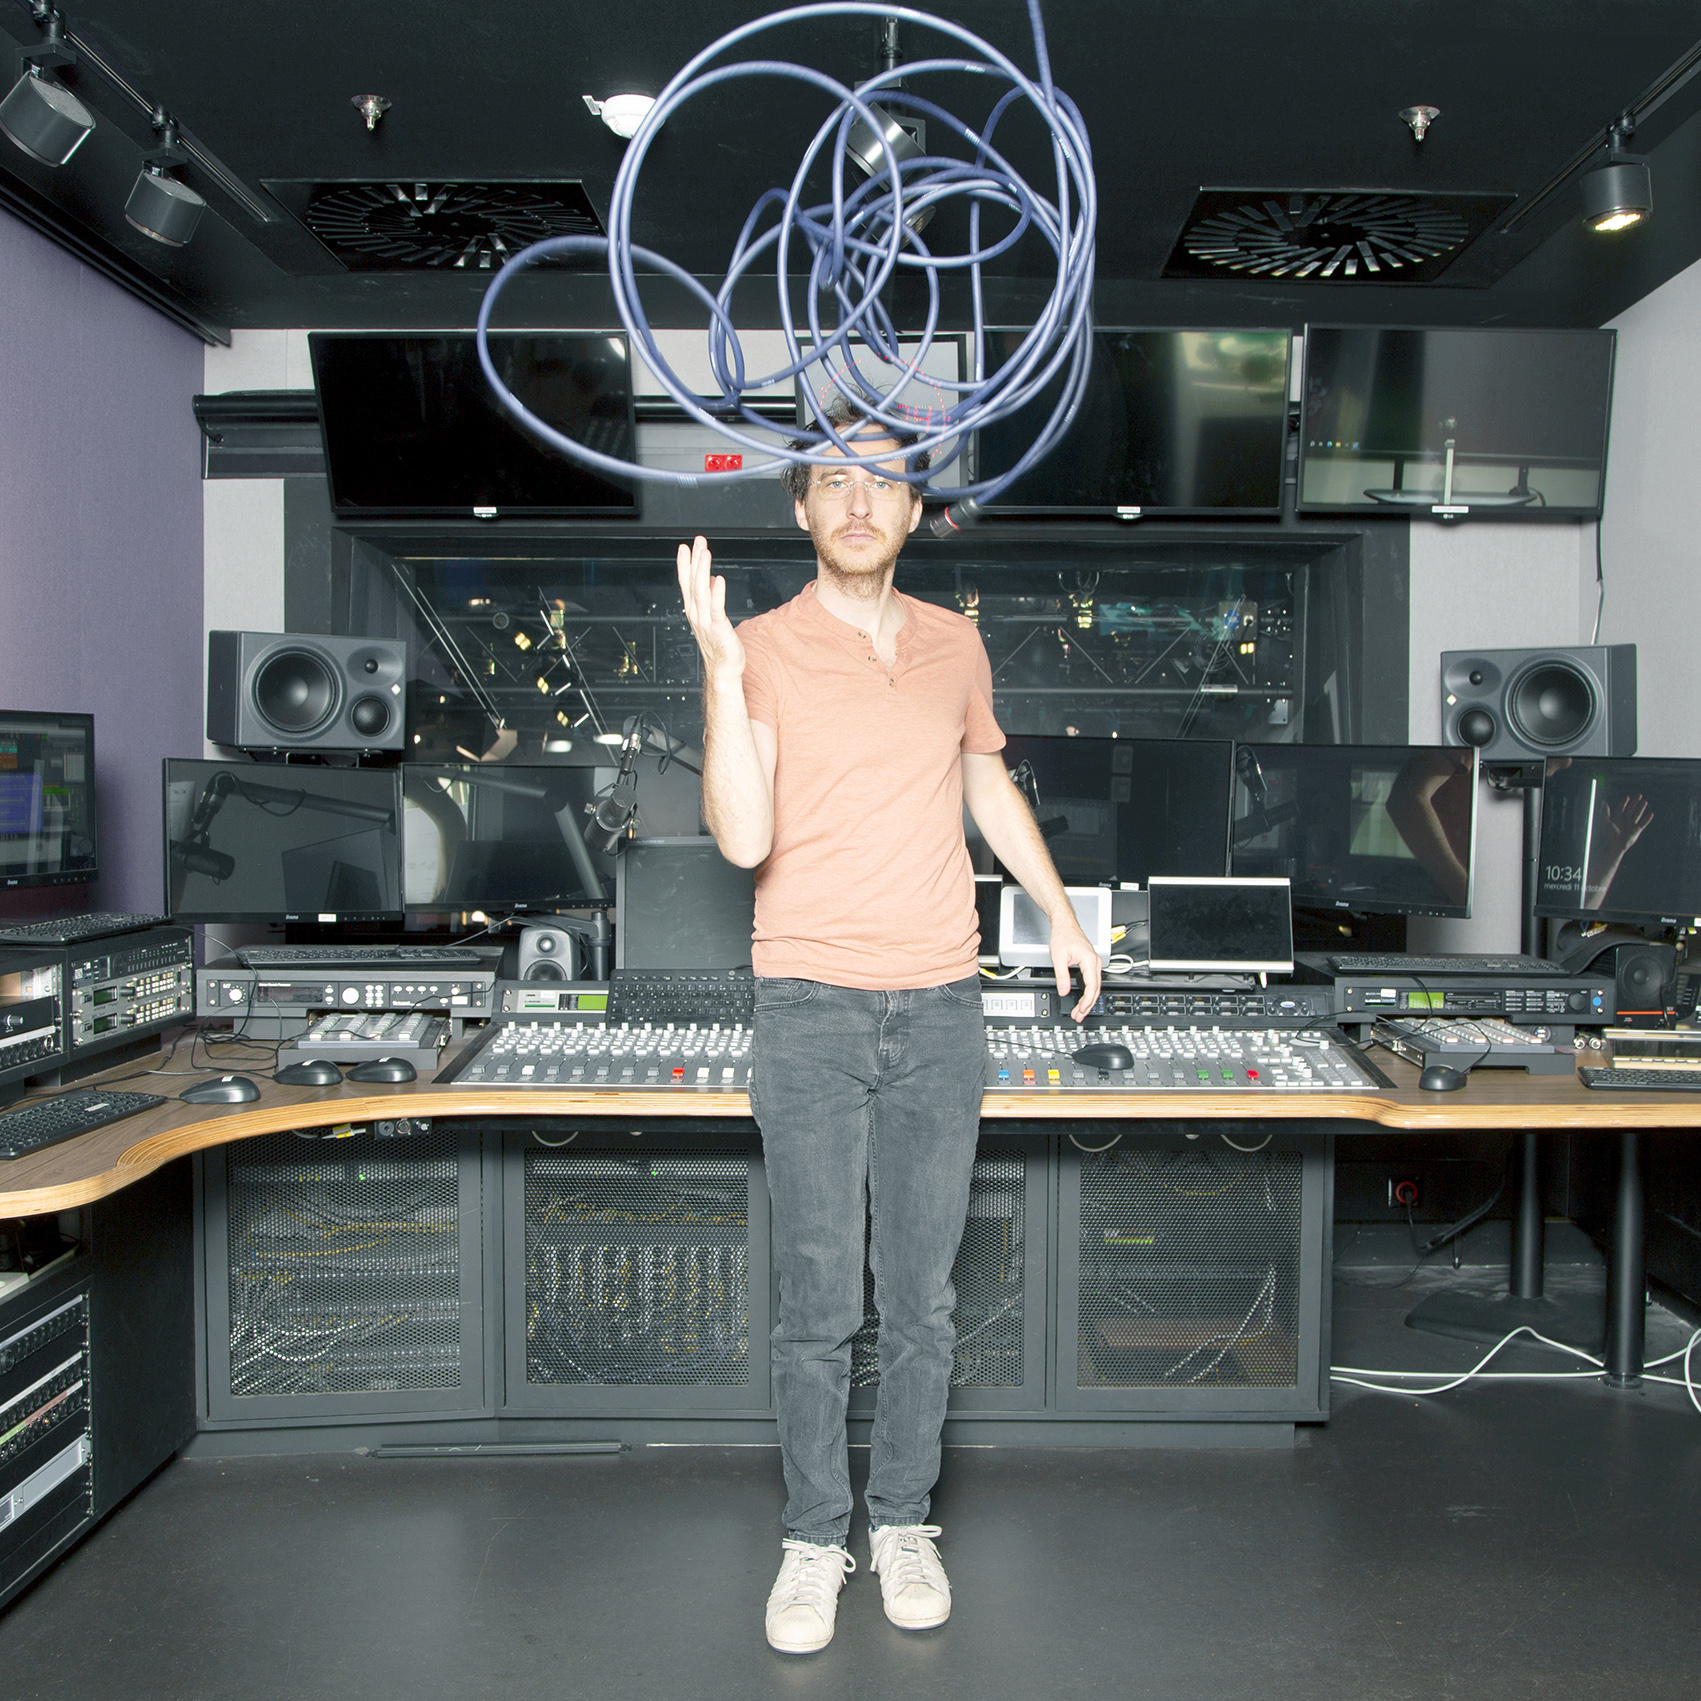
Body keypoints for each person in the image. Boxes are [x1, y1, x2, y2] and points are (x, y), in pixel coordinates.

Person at [676, 403, 1101, 1654]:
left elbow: (984, 782)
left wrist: (1062, 915)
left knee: (920, 1303)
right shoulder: (760, 646)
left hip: (941, 1006)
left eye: (884, 482)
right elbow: (743, 840)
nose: (858, 501)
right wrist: (718, 673)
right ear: (802, 507)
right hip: (808, 1007)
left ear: (916, 510)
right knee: (818, 1305)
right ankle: (817, 1539)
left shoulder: (957, 644)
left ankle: (903, 1522)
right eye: (833, 482)